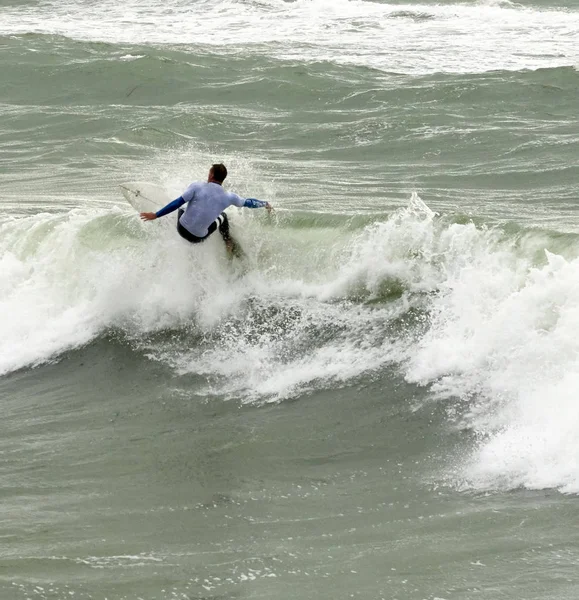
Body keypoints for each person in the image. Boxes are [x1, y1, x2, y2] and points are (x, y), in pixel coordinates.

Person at [140, 163, 272, 252]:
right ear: (223, 179)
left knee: (182, 207)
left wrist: (156, 215)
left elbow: (176, 203)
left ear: (211, 175)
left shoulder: (197, 186)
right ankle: (228, 241)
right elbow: (249, 203)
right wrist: (264, 204)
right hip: (197, 238)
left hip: (181, 229)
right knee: (223, 217)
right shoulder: (229, 197)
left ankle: (165, 221)